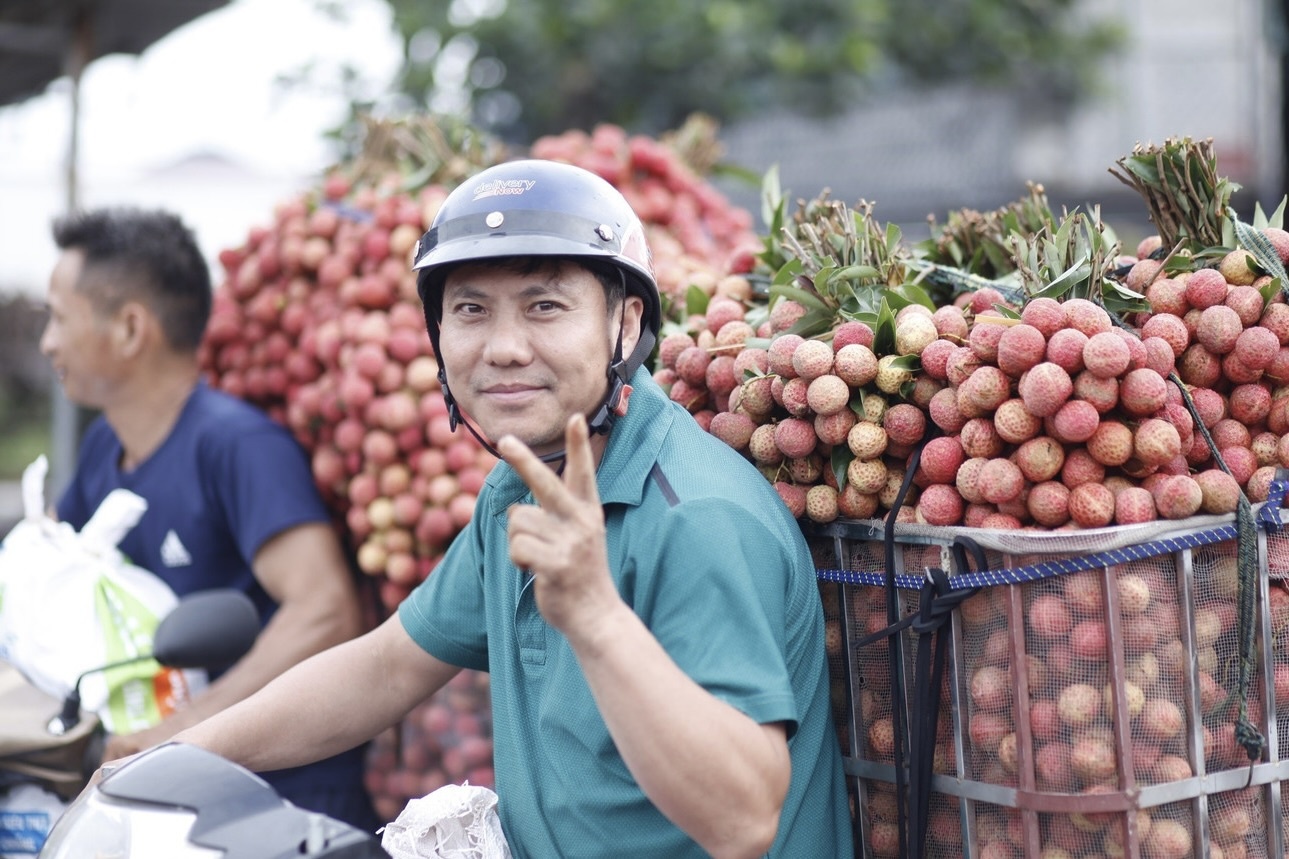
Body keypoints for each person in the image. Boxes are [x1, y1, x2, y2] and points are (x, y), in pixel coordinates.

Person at [169, 159, 853, 857]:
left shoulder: (696, 516)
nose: (501, 348)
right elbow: (388, 667)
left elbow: (743, 819)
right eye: (470, 309)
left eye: (544, 306)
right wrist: (180, 756)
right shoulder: (524, 486)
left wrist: (594, 615)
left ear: (626, 324)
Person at [41, 207, 380, 833]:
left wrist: (186, 731)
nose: (48, 343)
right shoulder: (101, 450)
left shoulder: (236, 445)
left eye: (58, 318)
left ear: (130, 328)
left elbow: (325, 610)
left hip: (274, 807)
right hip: (160, 792)